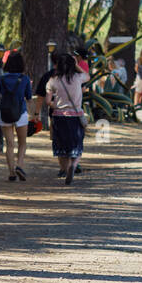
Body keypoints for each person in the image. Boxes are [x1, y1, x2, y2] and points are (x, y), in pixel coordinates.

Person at [47, 53, 87, 185]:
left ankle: (64, 168)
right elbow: (88, 75)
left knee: (61, 145)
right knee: (77, 144)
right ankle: (73, 165)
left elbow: (48, 101)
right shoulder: (77, 78)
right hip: (75, 116)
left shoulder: (53, 80)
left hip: (59, 117)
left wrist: (57, 105)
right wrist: (76, 65)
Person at [0, 50, 32, 182]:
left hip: (4, 113)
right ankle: (19, 165)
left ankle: (11, 172)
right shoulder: (25, 79)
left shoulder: (1, 79)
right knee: (22, 143)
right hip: (20, 113)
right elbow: (28, 97)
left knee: (9, 144)